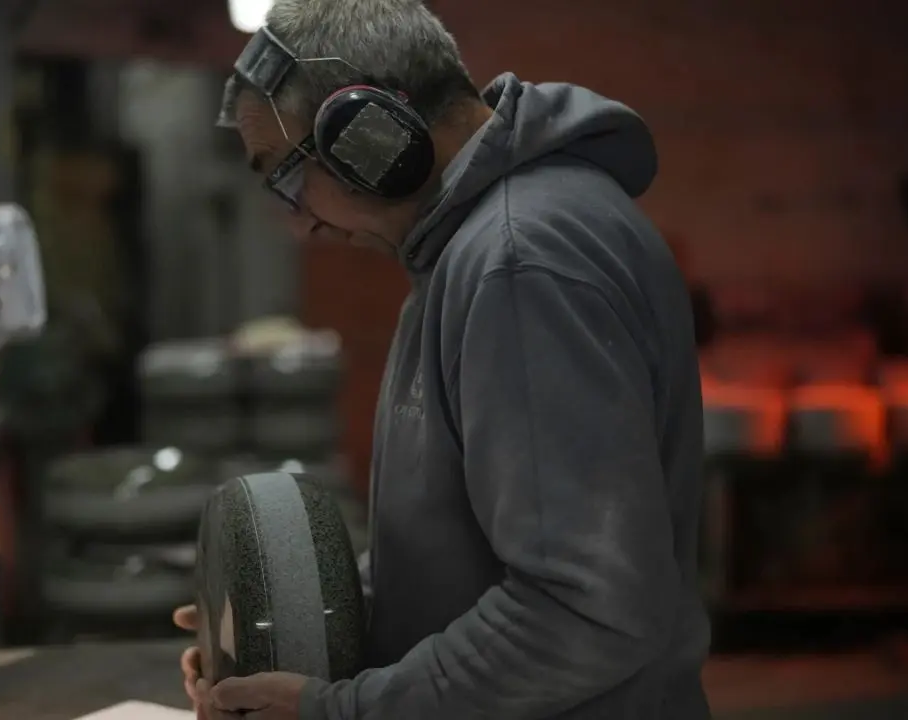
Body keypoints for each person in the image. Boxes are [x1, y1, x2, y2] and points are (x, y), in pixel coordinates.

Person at [173, 0, 711, 717]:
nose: (301, 226)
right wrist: (276, 622)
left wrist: (343, 711)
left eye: (290, 179)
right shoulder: (477, 250)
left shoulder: (520, 261)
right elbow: (460, 561)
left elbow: (583, 612)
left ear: (367, 134)